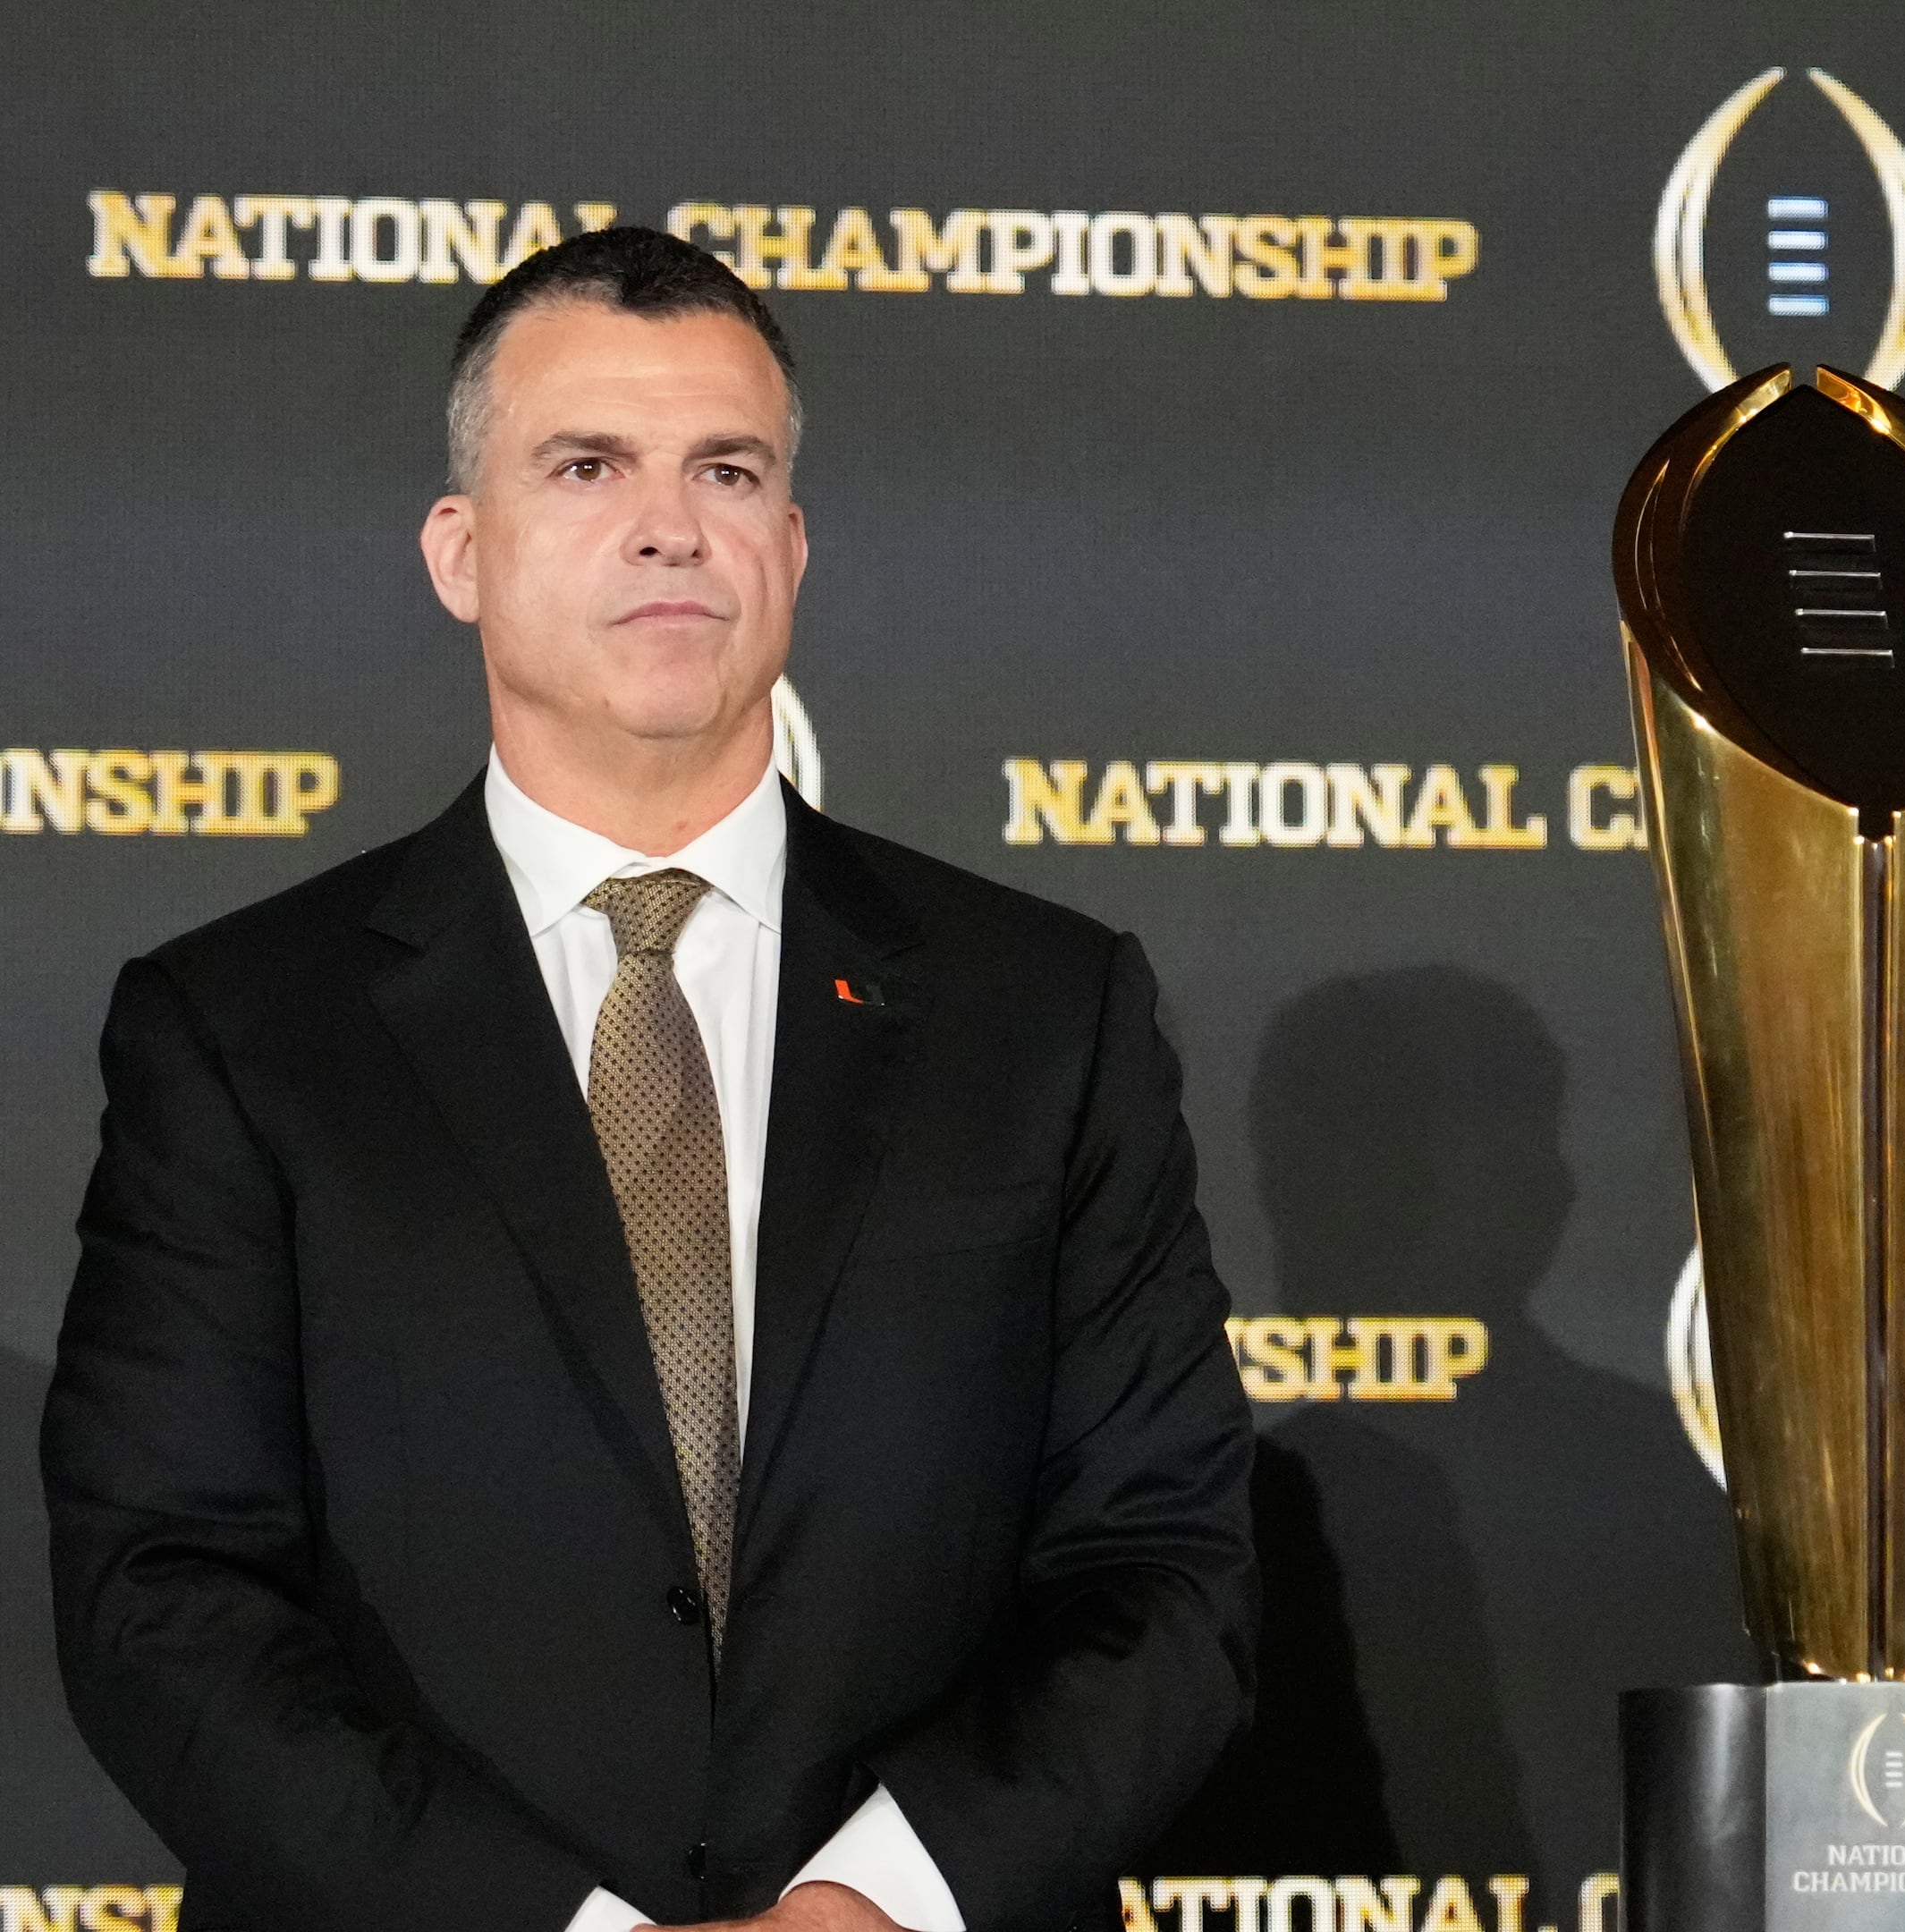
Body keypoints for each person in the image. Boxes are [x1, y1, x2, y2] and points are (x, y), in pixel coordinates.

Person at [42, 227, 1255, 1932]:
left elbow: (1166, 1570)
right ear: (461, 551)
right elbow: (163, 1596)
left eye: (728, 469)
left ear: (794, 544)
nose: (670, 523)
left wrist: (874, 1904)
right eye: (588, 464)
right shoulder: (241, 1029)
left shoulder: (1044, 1011)